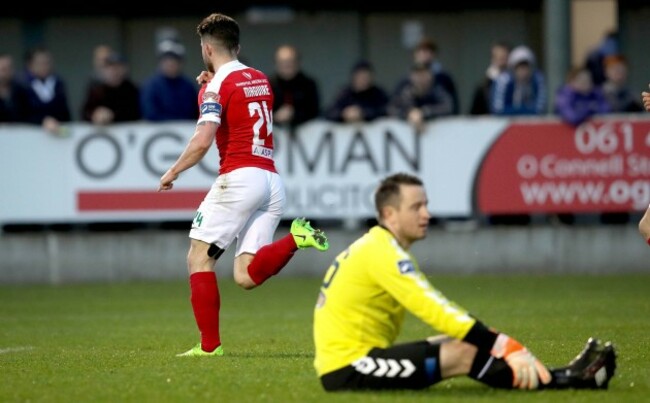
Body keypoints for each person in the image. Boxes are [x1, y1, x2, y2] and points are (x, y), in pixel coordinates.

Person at [313, 172, 617, 392]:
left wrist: (491, 338)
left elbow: (441, 310)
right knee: (465, 352)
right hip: (348, 369)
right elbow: (434, 309)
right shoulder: (384, 253)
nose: (427, 214)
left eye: (426, 205)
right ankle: (565, 381)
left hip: (356, 359)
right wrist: (502, 344)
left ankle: (557, 375)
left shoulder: (377, 246)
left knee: (468, 341)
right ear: (389, 214)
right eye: (416, 207)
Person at [158, 12, 330, 357]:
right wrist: (212, 83)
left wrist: (174, 170)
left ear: (207, 48)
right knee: (247, 275)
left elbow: (204, 139)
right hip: (270, 181)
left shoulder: (216, 86)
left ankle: (209, 348)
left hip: (238, 179)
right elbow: (239, 98)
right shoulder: (261, 79)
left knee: (198, 259)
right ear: (237, 46)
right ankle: (296, 237)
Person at [395, 37, 460, 115]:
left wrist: (425, 112)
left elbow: (451, 106)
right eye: (421, 51)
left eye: (429, 51)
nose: (425, 54)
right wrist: (411, 113)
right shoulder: (405, 82)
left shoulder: (444, 79)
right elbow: (394, 106)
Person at [140, 39, 199, 121]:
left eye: (174, 61)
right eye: (167, 61)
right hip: (159, 132)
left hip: (186, 130)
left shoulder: (188, 86)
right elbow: (150, 113)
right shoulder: (151, 86)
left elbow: (195, 111)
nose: (170, 65)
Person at [387, 62, 455, 132]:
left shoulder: (438, 92)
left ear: (430, 75)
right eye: (417, 74)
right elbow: (392, 109)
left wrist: (423, 113)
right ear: (411, 76)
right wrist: (409, 114)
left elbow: (447, 107)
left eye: (423, 73)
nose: (420, 78)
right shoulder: (405, 93)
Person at [19, 46, 71, 135]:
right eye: (40, 63)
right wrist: (42, 121)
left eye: (47, 63)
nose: (45, 66)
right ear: (30, 64)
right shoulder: (22, 85)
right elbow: (20, 114)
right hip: (30, 133)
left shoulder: (57, 83)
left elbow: (65, 111)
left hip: (57, 131)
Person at [80, 52, 142, 124]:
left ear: (125, 69)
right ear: (104, 71)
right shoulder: (96, 91)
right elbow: (85, 113)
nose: (114, 72)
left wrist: (112, 115)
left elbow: (136, 113)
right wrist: (94, 115)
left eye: (118, 67)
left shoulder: (132, 90)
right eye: (110, 68)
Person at [268, 44, 320, 129]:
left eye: (290, 62)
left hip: (306, 134)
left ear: (297, 63)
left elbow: (314, 111)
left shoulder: (308, 85)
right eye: (283, 63)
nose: (287, 66)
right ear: (276, 64)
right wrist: (275, 117)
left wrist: (294, 115)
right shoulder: (268, 85)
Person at [323, 60, 388, 123]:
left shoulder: (378, 94)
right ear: (354, 77)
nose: (363, 80)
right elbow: (329, 112)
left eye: (366, 77)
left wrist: (363, 113)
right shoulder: (345, 93)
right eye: (360, 77)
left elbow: (385, 111)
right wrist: (344, 114)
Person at [491, 45, 547, 116]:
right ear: (513, 68)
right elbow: (498, 109)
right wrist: (522, 110)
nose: (523, 70)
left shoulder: (537, 79)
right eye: (519, 66)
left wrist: (519, 110)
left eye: (526, 66)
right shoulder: (504, 80)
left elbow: (540, 108)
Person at [469, 41, 511, 115]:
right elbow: (474, 114)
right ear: (492, 59)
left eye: (504, 58)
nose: (501, 62)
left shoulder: (516, 83)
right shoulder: (483, 87)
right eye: (497, 57)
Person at [0, 52, 31, 123]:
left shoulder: (22, 90)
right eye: (3, 69)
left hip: (19, 130)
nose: (6, 72)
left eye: (9, 68)